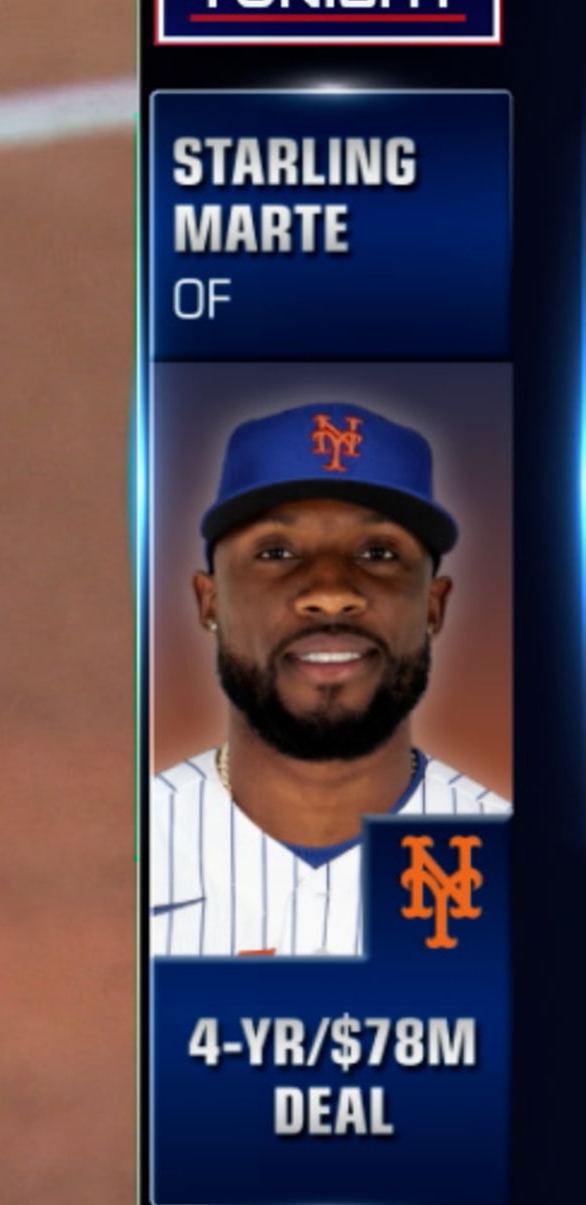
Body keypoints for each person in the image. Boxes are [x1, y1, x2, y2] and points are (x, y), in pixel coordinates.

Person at [149, 402, 508, 959]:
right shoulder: (123, 858)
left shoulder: (528, 874)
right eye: (276, 552)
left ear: (434, 606)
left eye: (378, 553)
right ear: (209, 599)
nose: (331, 591)